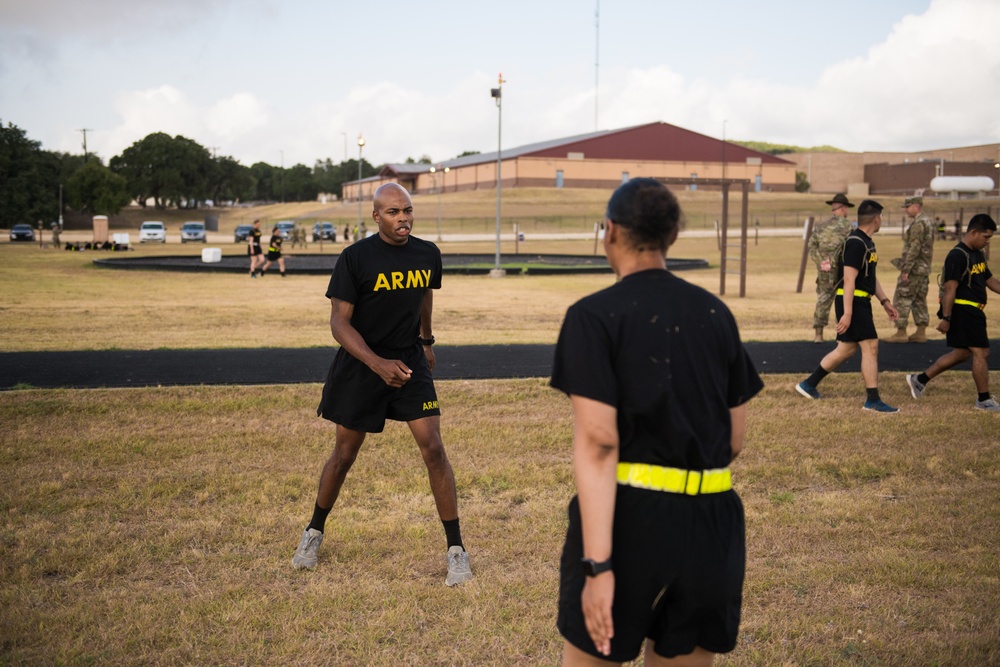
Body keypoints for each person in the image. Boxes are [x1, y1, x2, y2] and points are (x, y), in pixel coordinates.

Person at [550, 178, 764, 665]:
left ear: (610, 232)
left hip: (633, 524)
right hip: (714, 523)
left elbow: (600, 444)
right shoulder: (716, 313)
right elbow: (732, 439)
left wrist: (598, 566)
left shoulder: (593, 316)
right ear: (671, 236)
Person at [292, 182, 472, 586]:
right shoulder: (355, 258)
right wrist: (376, 364)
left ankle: (456, 550)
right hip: (362, 364)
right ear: (376, 217)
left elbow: (425, 292)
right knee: (344, 454)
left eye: (407, 210)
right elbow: (339, 323)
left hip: (408, 363)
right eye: (393, 212)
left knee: (434, 449)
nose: (403, 218)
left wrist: (425, 340)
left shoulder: (428, 254)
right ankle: (313, 532)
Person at [796, 199, 901, 413]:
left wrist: (885, 301)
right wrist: (848, 313)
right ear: (875, 218)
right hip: (853, 301)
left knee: (846, 349)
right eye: (881, 217)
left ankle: (808, 384)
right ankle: (872, 400)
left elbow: (870, 276)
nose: (881, 221)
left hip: (861, 300)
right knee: (870, 346)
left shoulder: (868, 242)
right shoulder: (855, 242)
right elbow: (849, 279)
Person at [906, 213, 1000, 412]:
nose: (987, 241)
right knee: (982, 352)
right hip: (964, 310)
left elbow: (989, 280)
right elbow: (950, 289)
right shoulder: (957, 255)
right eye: (986, 237)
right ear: (974, 232)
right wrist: (947, 318)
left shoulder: (977, 254)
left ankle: (919, 379)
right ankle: (983, 400)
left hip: (974, 311)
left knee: (962, 354)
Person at [886, 196, 934, 343]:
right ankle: (921, 332)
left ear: (916, 206)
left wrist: (906, 270)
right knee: (919, 299)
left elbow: (915, 247)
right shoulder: (927, 222)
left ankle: (901, 332)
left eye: (908, 207)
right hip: (923, 269)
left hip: (914, 269)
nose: (906, 210)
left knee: (902, 298)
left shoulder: (918, 224)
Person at [808, 193, 855, 343]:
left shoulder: (820, 226)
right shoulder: (848, 227)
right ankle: (842, 336)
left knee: (823, 299)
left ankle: (818, 334)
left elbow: (812, 247)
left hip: (824, 270)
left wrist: (822, 262)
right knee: (843, 300)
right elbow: (854, 248)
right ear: (843, 208)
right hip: (843, 271)